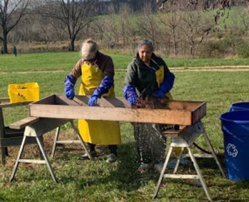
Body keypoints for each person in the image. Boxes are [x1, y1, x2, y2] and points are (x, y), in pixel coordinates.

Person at [64, 39, 121, 163]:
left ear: (96, 53)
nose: (87, 62)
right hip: (86, 97)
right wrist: (69, 85)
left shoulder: (106, 60)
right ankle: (90, 149)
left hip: (105, 96)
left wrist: (97, 93)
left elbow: (107, 79)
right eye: (85, 59)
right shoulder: (81, 62)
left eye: (90, 59)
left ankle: (113, 151)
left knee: (108, 124)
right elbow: (72, 75)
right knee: (88, 123)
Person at [123, 39, 175, 173]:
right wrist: (132, 97)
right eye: (142, 52)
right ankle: (145, 161)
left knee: (159, 130)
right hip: (141, 103)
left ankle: (159, 160)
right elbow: (128, 85)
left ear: (152, 52)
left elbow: (169, 77)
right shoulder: (134, 65)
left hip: (158, 100)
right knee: (141, 132)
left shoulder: (159, 63)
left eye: (148, 52)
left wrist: (161, 90)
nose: (145, 55)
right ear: (138, 52)